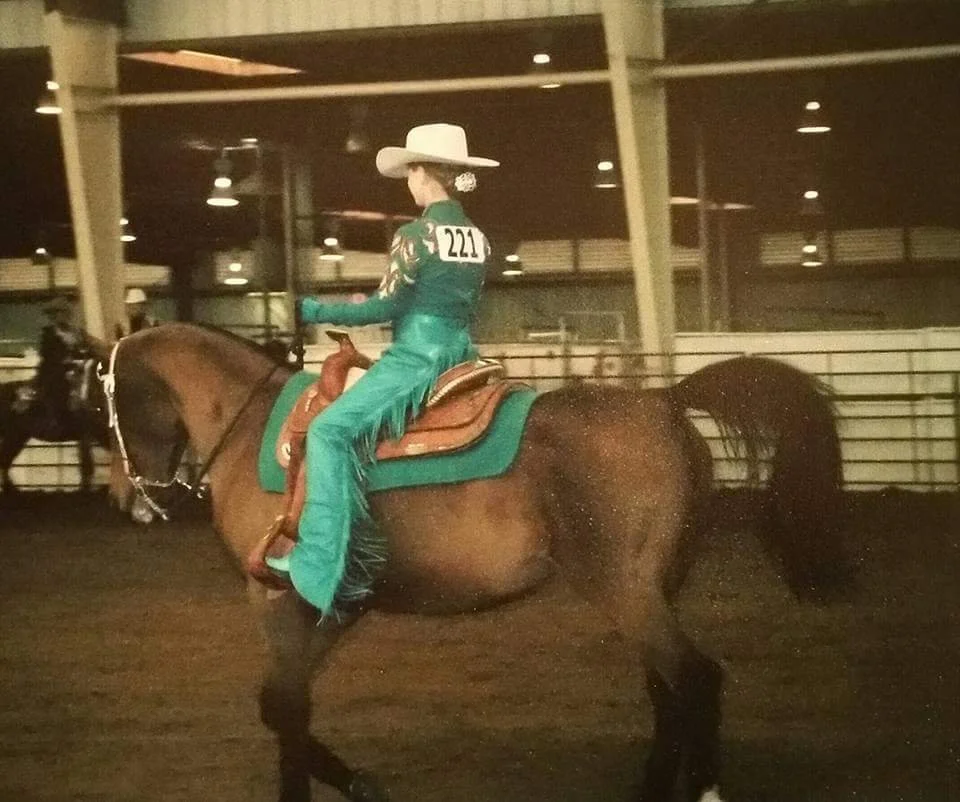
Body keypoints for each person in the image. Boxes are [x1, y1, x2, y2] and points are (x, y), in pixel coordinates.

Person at [273, 122, 499, 615]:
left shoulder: (415, 235)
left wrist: (316, 311)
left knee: (330, 432)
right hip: (462, 353)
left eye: (411, 173)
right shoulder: (477, 237)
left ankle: (320, 561)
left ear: (422, 173)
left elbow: (384, 309)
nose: (409, 183)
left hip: (417, 358)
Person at [35, 296, 84, 428]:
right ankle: (57, 419)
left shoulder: (76, 333)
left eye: (63, 313)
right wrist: (65, 362)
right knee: (58, 386)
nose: (60, 316)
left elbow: (81, 350)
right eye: (56, 313)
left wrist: (79, 359)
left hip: (75, 369)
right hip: (54, 371)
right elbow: (47, 356)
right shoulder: (48, 334)